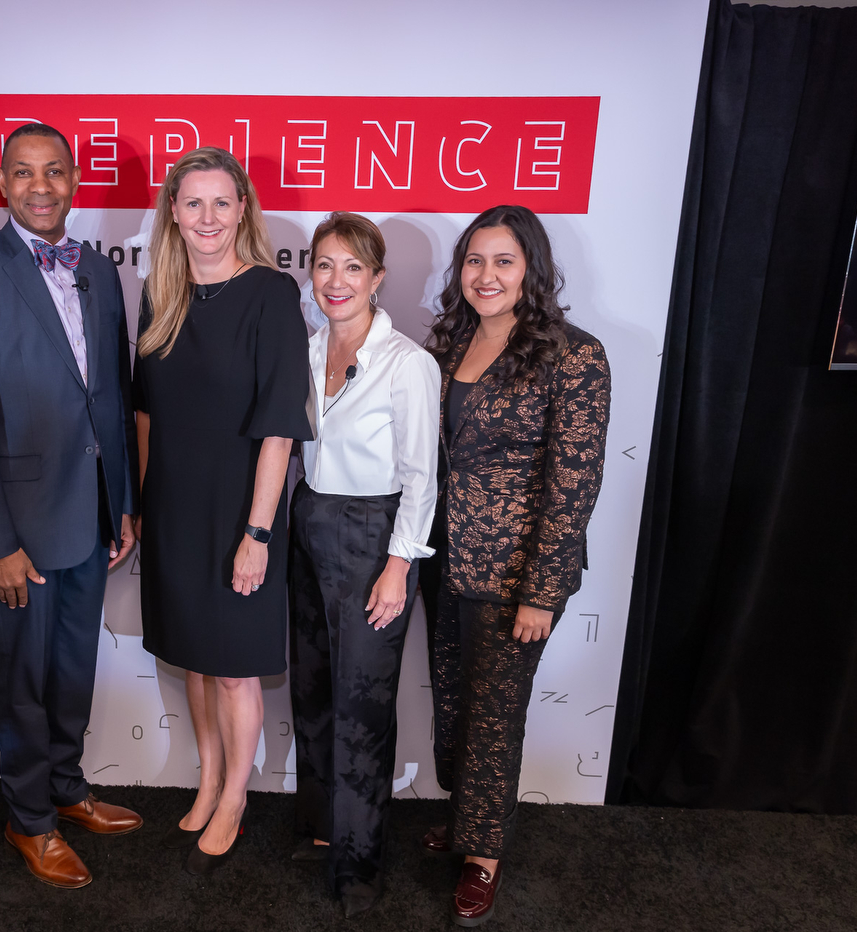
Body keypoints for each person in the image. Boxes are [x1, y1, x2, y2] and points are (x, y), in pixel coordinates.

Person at [0, 123, 141, 890]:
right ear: (2, 181)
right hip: (19, 527)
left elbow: (110, 393)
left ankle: (66, 787)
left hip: (91, 514)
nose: (42, 186)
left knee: (73, 668)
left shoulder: (95, 267)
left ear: (74, 179)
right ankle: (29, 820)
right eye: (25, 173)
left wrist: (123, 501)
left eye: (55, 171)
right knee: (24, 674)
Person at [418, 205, 611, 926]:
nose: (485, 275)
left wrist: (542, 592)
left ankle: (484, 855)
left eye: (502, 261)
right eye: (474, 260)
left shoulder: (573, 354)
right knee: (453, 703)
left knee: (494, 715)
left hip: (514, 577)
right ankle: (469, 820)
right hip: (443, 559)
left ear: (531, 266)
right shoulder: (449, 345)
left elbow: (574, 483)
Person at [132, 146, 312, 874]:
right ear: (173, 212)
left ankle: (237, 795)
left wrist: (258, 534)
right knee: (197, 662)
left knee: (235, 669)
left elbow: (279, 427)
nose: (207, 218)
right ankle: (208, 778)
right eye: (193, 203)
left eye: (221, 202)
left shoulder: (271, 294)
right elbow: (144, 413)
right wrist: (143, 508)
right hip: (174, 509)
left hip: (241, 511)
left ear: (244, 209)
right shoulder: (159, 295)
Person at [287, 212, 441, 917]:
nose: (336, 280)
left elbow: (422, 478)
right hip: (309, 520)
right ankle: (323, 830)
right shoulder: (307, 348)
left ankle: (360, 863)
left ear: (377, 279)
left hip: (375, 534)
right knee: (314, 690)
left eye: (353, 267)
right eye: (324, 265)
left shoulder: (408, 363)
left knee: (361, 708)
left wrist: (398, 564)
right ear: (310, 274)